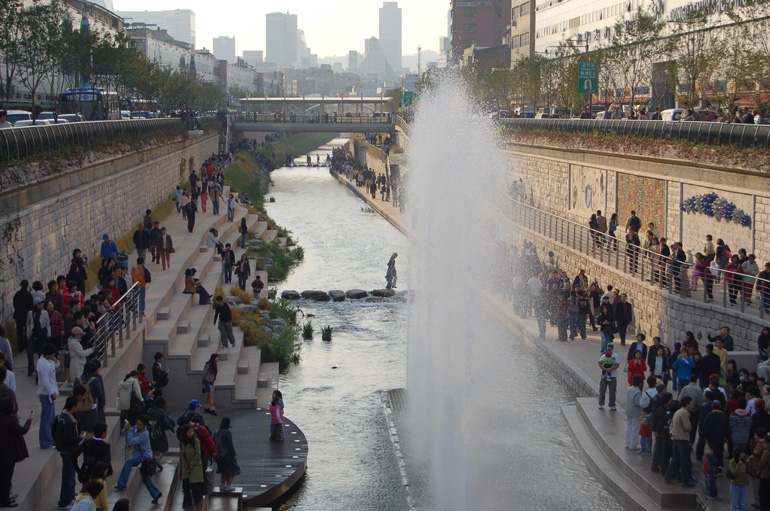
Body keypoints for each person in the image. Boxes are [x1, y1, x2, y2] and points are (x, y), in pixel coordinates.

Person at [114, 415, 162, 504]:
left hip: (144, 457)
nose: (138, 426)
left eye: (140, 425)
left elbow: (132, 441)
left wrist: (128, 431)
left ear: (144, 425)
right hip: (139, 455)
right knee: (145, 477)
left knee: (128, 462)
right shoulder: (136, 428)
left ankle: (122, 483)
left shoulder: (144, 434)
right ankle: (156, 494)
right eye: (137, 424)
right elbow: (126, 432)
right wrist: (126, 429)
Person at [0, 397, 31, 508]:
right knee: (6, 479)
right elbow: (22, 430)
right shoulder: (10, 421)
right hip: (8, 455)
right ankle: (5, 501)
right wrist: (29, 421)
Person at [56, 396, 82, 509]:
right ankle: (65, 501)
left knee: (70, 476)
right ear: (73, 406)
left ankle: (70, 495)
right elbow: (68, 439)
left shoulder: (66, 416)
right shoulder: (67, 420)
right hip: (68, 451)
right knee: (68, 477)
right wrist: (79, 438)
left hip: (69, 451)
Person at [665, 395, 696, 486]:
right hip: (683, 439)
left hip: (675, 439)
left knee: (675, 459)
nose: (692, 405)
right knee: (684, 461)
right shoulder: (684, 413)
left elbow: (671, 425)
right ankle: (685, 481)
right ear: (687, 404)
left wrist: (672, 433)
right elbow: (687, 427)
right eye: (690, 404)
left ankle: (667, 477)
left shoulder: (677, 412)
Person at [37, 343, 59, 449]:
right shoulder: (43, 365)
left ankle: (51, 439)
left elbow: (57, 365)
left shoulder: (47, 362)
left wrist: (55, 360)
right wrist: (52, 393)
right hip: (47, 395)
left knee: (51, 419)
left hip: (50, 393)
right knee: (46, 420)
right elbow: (45, 382)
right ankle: (45, 442)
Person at [178, 425, 205, 507]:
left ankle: (198, 499)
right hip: (186, 465)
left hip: (195, 465)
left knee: (193, 484)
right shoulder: (182, 442)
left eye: (192, 432)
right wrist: (185, 463)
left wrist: (192, 464)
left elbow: (198, 454)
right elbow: (183, 453)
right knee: (185, 484)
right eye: (189, 432)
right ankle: (187, 501)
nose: (191, 433)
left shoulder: (195, 441)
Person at [25, 296, 50, 377]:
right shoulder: (30, 313)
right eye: (40, 304)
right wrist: (28, 332)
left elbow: (47, 324)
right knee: (30, 352)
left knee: (40, 354)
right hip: (32, 335)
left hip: (41, 336)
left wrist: (48, 334)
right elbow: (28, 323)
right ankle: (30, 368)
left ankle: (39, 370)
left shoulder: (45, 313)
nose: (42, 305)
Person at [147, 397, 176, 464]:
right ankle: (158, 460)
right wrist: (171, 428)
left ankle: (152, 459)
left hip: (151, 431)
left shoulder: (149, 410)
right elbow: (166, 421)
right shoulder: (162, 411)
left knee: (153, 447)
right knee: (163, 447)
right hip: (160, 431)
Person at [215, 417, 240, 491]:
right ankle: (228, 485)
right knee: (233, 469)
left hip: (219, 454)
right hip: (227, 455)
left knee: (223, 470)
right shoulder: (227, 433)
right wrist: (234, 455)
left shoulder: (217, 432)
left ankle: (222, 485)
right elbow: (230, 445)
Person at [598, 343, 620, 411]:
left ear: (612, 349)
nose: (609, 350)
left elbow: (617, 365)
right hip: (604, 375)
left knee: (612, 391)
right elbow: (600, 364)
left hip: (613, 376)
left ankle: (612, 404)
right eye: (608, 349)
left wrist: (611, 369)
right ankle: (601, 403)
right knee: (602, 390)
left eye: (610, 349)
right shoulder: (603, 356)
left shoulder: (616, 356)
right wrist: (605, 369)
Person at [13, 280, 33, 353]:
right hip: (26, 315)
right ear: (27, 286)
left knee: (19, 331)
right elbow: (31, 306)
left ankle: (20, 346)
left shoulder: (17, 294)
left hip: (18, 314)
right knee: (27, 330)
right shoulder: (29, 295)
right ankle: (26, 345)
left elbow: (14, 304)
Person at [625, 374, 644, 450]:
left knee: (628, 427)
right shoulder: (638, 392)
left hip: (629, 410)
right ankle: (633, 445)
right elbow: (637, 403)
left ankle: (627, 443)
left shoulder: (629, 389)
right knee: (635, 429)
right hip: (635, 412)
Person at [730, 446, 749, 511]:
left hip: (744, 485)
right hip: (735, 485)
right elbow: (734, 473)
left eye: (744, 453)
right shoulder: (732, 461)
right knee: (734, 505)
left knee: (743, 505)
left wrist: (748, 464)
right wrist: (738, 466)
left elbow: (748, 472)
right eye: (742, 453)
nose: (743, 455)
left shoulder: (744, 461)